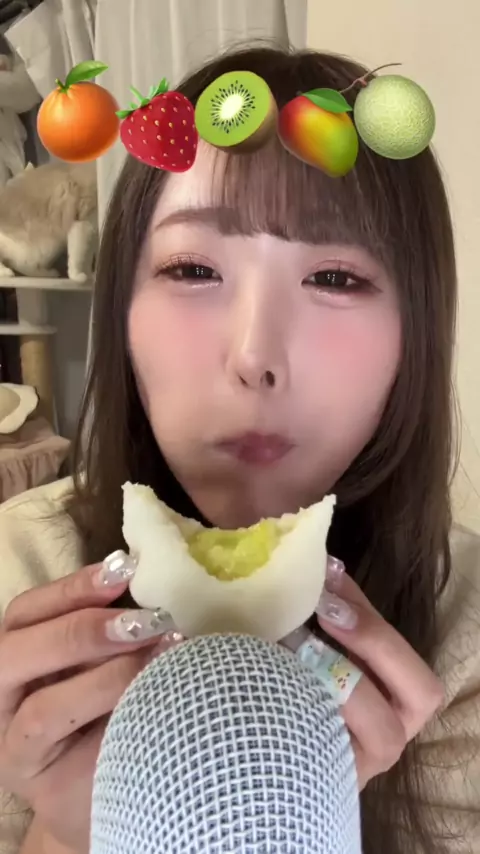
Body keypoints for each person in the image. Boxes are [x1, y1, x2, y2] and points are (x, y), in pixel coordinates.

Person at [0, 44, 478, 854]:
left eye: (335, 279)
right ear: (121, 309)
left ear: (417, 333)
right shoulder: (18, 569)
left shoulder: (466, 640)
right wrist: (67, 832)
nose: (255, 356)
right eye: (192, 268)